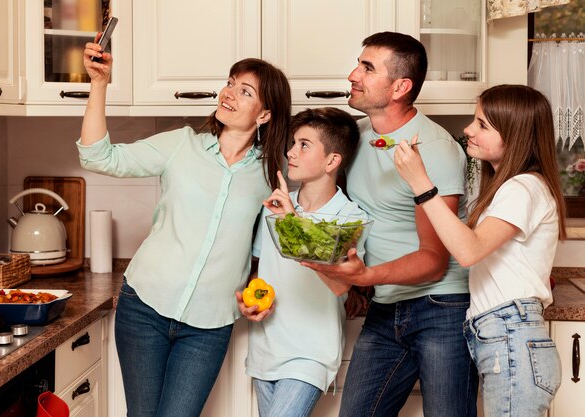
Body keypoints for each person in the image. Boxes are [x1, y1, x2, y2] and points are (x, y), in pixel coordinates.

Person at [77, 36, 291, 417]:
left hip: (209, 326)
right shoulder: (181, 145)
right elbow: (99, 157)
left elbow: (270, 246)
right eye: (230, 83)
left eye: (245, 92)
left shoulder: (271, 173)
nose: (229, 94)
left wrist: (260, 285)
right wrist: (99, 84)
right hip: (144, 307)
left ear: (264, 115)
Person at [303, 31, 479, 417]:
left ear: (400, 86)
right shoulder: (357, 136)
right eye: (358, 63)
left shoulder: (434, 150)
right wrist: (356, 282)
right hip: (385, 305)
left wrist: (363, 278)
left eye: (367, 68)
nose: (353, 74)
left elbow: (434, 258)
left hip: (441, 307)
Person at [394, 84, 566, 417]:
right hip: (504, 335)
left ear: (515, 135)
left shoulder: (524, 186)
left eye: (482, 124)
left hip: (511, 335)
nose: (468, 130)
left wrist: (420, 183)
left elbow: (468, 251)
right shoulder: (511, 186)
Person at [235, 107, 368, 417]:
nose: (291, 152)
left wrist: (291, 222)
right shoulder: (276, 205)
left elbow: (339, 283)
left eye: (304, 145)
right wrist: (248, 301)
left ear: (332, 161)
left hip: (311, 355)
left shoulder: (351, 218)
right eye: (293, 143)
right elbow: (261, 269)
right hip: (264, 350)